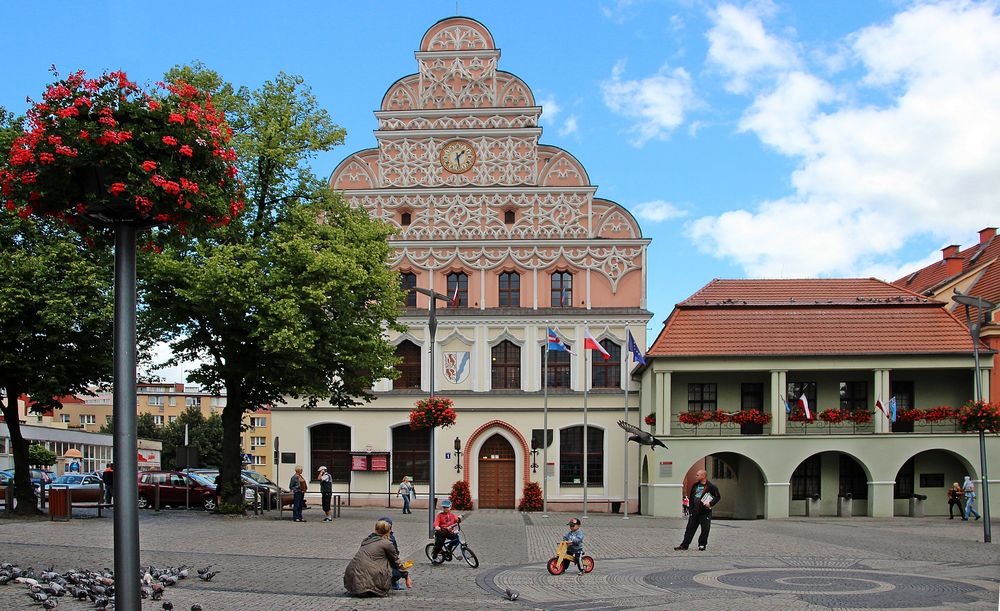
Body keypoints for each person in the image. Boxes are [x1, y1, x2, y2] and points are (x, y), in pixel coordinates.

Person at [343, 519, 411, 597]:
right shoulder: (387, 543)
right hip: (363, 584)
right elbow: (396, 561)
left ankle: (365, 587)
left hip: (351, 582)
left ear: (375, 530)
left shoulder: (366, 540)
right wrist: (406, 576)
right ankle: (374, 588)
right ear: (389, 531)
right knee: (397, 573)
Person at [675, 469, 721, 551]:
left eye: (698, 475)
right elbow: (692, 496)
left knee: (705, 529)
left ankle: (702, 545)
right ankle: (684, 545)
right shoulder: (695, 485)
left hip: (705, 513)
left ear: (703, 476)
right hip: (694, 512)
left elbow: (717, 497)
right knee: (689, 529)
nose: (696, 476)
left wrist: (711, 503)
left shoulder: (711, 486)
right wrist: (691, 508)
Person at [379, 516, 406, 590]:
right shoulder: (391, 539)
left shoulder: (372, 538)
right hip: (383, 566)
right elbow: (394, 556)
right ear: (390, 529)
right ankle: (393, 583)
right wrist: (403, 571)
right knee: (397, 572)